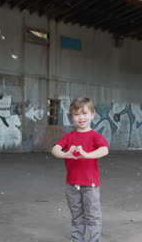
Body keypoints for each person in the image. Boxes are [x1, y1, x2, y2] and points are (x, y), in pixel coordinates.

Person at [51, 97, 109, 242]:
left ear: (92, 114)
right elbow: (54, 149)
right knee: (77, 216)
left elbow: (104, 150)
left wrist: (87, 155)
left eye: (84, 113)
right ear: (72, 117)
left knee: (93, 216)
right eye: (76, 114)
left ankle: (94, 240)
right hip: (71, 185)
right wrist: (65, 153)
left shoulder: (96, 136)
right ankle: (77, 240)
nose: (81, 118)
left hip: (91, 185)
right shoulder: (69, 137)